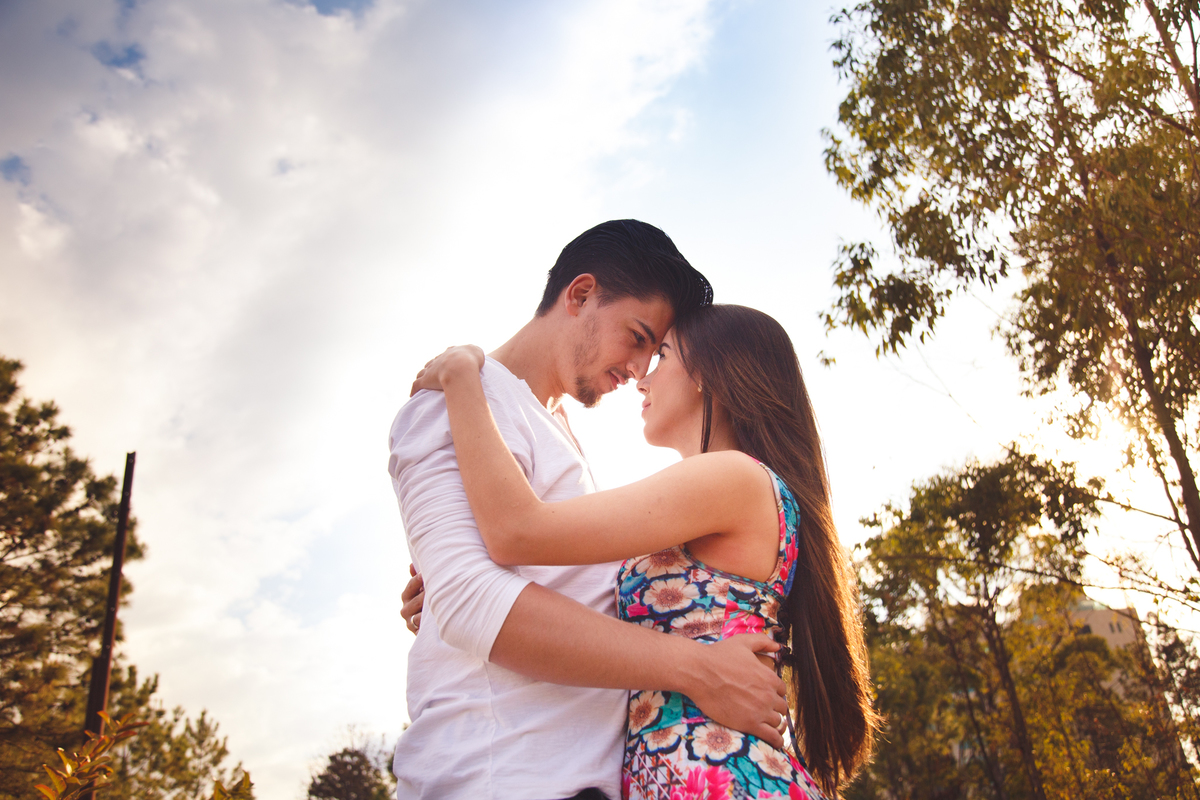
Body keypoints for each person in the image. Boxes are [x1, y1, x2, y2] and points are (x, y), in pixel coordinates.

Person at [409, 304, 879, 799]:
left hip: (717, 777)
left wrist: (465, 376)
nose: (642, 378)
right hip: (691, 775)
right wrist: (446, 589)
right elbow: (587, 593)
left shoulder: (731, 476)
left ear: (707, 374)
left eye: (663, 356)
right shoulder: (717, 496)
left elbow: (518, 530)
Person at [388, 221, 789, 800]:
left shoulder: (557, 434)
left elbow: (530, 576)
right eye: (637, 336)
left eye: (656, 352)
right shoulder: (455, 401)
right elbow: (472, 601)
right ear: (580, 295)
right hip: (496, 778)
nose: (639, 371)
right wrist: (698, 668)